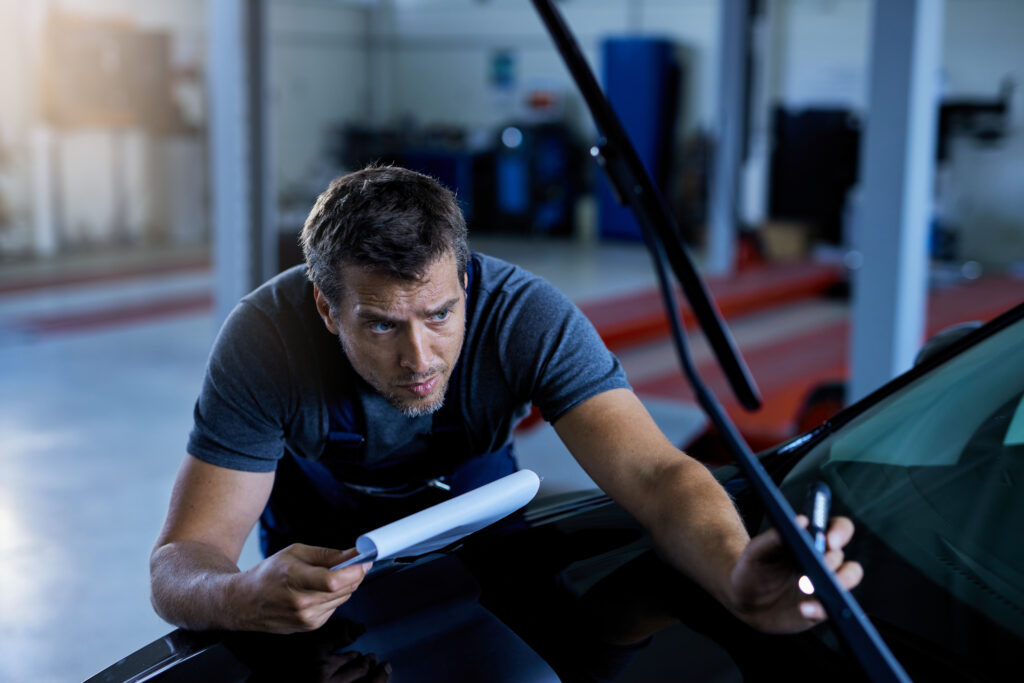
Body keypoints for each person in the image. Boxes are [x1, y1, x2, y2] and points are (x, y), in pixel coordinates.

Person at [150, 165, 862, 637]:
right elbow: (182, 559)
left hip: (480, 522)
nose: (420, 357)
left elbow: (657, 475)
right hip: (318, 552)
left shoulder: (527, 316)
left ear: (464, 278)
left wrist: (737, 575)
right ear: (327, 309)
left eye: (439, 314)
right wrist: (244, 595)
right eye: (381, 324)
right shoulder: (263, 341)